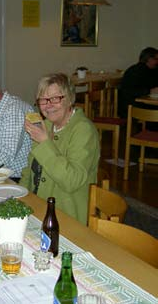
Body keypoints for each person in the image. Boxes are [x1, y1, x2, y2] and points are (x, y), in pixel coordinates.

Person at [20, 73, 100, 225]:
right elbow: (29, 171)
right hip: (37, 209)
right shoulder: (47, 125)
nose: (48, 105)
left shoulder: (84, 130)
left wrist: (44, 142)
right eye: (43, 100)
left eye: (55, 98)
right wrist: (19, 198)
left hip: (66, 217)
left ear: (70, 99)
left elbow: (71, 180)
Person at [119, 47, 158, 118]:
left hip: (143, 104)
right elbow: (128, 90)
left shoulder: (152, 70)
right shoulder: (135, 71)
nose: (157, 62)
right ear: (149, 59)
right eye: (156, 59)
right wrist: (150, 91)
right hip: (132, 107)